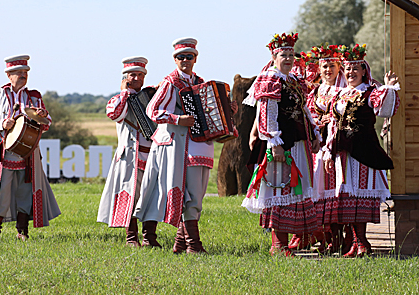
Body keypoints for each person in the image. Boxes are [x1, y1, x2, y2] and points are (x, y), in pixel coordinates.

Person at [134, 37, 237, 254]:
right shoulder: (170, 82)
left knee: (196, 193)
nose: (185, 60)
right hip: (176, 146)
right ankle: (192, 244)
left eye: (189, 57)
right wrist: (178, 119)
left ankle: (182, 244)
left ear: (195, 58)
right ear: (174, 59)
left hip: (199, 145)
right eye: (181, 57)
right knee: (186, 192)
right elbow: (152, 110)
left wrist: (228, 109)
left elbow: (210, 113)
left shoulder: (200, 82)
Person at [242, 32, 321, 256]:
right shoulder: (271, 78)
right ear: (274, 57)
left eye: (290, 55)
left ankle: (292, 240)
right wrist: (273, 141)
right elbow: (267, 112)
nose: (288, 58)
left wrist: (314, 133)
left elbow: (304, 110)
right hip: (281, 144)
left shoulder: (293, 80)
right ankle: (278, 244)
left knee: (295, 188)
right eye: (283, 55)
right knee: (280, 186)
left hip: (298, 142)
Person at [0, 54, 61, 240]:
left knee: (25, 191)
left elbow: (47, 124)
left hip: (28, 153)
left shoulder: (34, 96)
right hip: (4, 152)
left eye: (25, 72)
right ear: (8, 75)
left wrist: (42, 116)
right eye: (19, 72)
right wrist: (1, 124)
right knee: (1, 190)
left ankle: (22, 231)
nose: (23, 75)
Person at [323, 44, 399, 257]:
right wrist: (329, 151)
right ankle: (356, 243)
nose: (351, 73)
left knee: (360, 196)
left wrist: (388, 88)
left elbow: (385, 110)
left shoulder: (371, 91)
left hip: (363, 150)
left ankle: (362, 242)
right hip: (342, 152)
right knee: (348, 197)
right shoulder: (339, 95)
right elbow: (332, 125)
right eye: (347, 69)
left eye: (356, 69)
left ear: (364, 70)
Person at [97, 57, 160, 247]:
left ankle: (149, 238)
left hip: (152, 154)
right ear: (125, 77)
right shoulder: (118, 99)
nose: (137, 78)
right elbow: (114, 114)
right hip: (130, 156)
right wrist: (124, 92)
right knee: (131, 196)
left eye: (140, 74)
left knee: (151, 197)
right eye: (133, 74)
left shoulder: (150, 97)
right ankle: (131, 238)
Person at [292, 45, 347, 253]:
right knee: (316, 190)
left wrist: (331, 119)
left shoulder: (342, 90)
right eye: (324, 66)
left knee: (334, 191)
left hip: (335, 146)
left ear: (338, 67)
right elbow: (308, 114)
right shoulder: (314, 91)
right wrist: (317, 120)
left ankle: (338, 238)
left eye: (332, 66)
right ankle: (317, 235)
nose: (327, 70)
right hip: (317, 147)